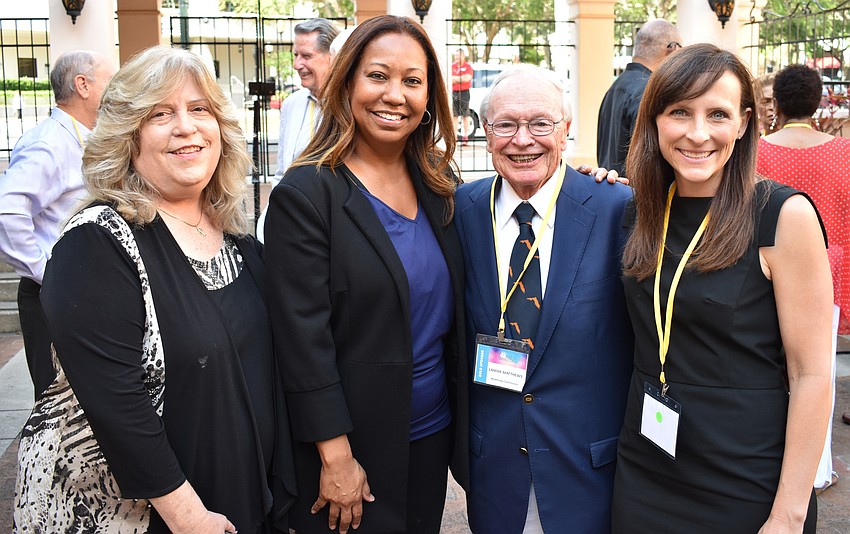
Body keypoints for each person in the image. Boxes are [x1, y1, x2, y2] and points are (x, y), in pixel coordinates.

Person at [13, 46, 295, 533]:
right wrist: (188, 516)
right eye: (161, 114)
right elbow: (118, 405)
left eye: (199, 109)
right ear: (128, 137)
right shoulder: (96, 244)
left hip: (240, 497)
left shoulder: (236, 237)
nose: (186, 127)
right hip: (152, 516)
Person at [612, 44, 833, 533]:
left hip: (745, 478)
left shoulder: (782, 215)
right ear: (654, 120)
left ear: (744, 122)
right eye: (680, 112)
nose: (697, 133)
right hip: (646, 468)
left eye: (717, 114)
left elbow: (813, 375)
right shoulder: (638, 211)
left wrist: (788, 515)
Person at [265, 15, 468, 534]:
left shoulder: (440, 185)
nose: (394, 95)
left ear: (430, 95)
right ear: (348, 82)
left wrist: (588, 184)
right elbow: (301, 341)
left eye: (412, 80)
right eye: (378, 76)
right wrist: (336, 457)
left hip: (431, 436)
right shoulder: (307, 195)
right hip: (351, 449)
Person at [454, 64, 634, 533]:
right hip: (494, 468)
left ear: (566, 130)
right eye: (506, 125)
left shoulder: (616, 208)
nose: (523, 139)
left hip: (588, 470)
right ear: (486, 133)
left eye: (540, 124)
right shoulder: (459, 210)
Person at [0, 50, 116, 399]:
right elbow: (7, 212)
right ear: (83, 85)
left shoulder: (85, 136)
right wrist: (44, 271)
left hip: (83, 288)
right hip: (53, 293)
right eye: (110, 82)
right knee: (57, 403)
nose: (117, 90)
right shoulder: (48, 143)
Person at [757, 63, 850, 493]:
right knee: (818, 372)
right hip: (826, 273)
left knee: (768, 370)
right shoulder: (844, 152)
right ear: (818, 102)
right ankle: (816, 469)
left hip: (761, 272)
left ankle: (773, 460)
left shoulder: (757, 150)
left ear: (776, 101)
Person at [257, 18, 339, 242]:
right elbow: (282, 173)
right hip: (290, 226)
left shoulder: (351, 106)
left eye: (306, 56)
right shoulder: (292, 104)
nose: (296, 64)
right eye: (296, 55)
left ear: (332, 58)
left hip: (334, 229)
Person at [597, 19, 681, 175]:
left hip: (611, 190)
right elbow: (649, 156)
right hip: (635, 193)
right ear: (672, 48)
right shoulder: (648, 91)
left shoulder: (615, 88)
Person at [452, 48, 474, 146]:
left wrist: (456, 79)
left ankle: (465, 136)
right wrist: (461, 78)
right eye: (455, 56)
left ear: (463, 56)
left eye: (458, 56)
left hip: (464, 92)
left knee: (465, 114)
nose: (456, 58)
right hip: (453, 92)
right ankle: (454, 137)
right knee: (454, 115)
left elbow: (467, 78)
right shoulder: (452, 66)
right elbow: (449, 79)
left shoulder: (468, 66)